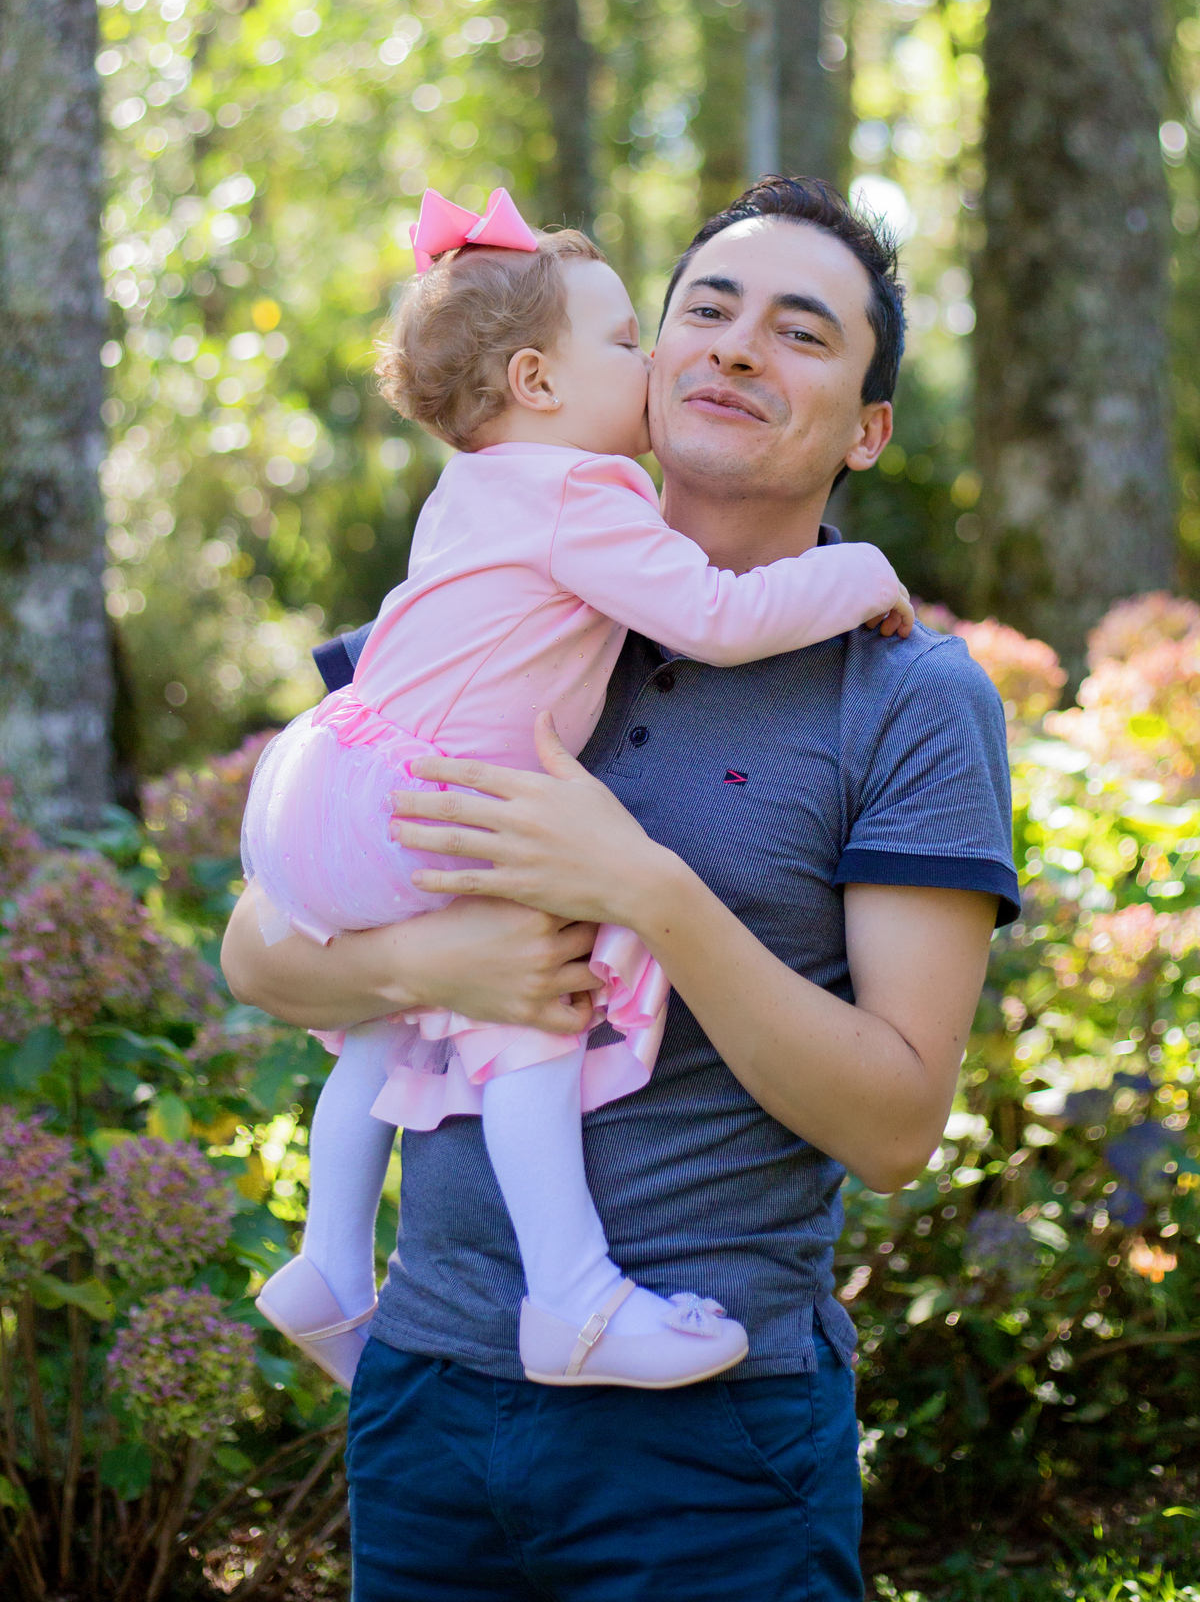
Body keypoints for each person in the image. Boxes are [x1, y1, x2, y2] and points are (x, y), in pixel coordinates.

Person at [222, 176, 1019, 1602]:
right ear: (634, 370)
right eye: (702, 311)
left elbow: (896, 1124)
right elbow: (261, 954)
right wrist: (440, 969)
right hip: (422, 1398)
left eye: (801, 333)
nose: (730, 348)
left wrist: (646, 892)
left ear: (868, 429)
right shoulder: (504, 591)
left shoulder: (907, 698)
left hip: (705, 1448)